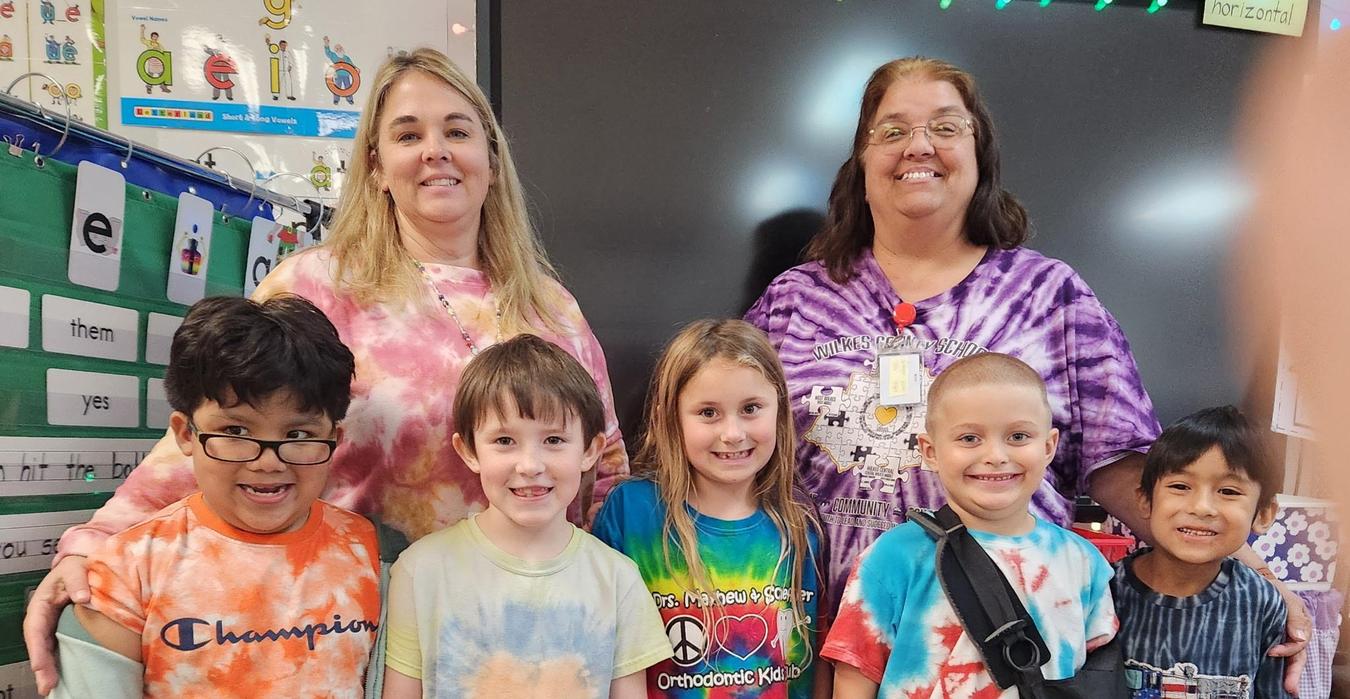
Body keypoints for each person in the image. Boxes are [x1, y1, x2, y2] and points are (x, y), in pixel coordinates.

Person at [24, 48, 629, 695]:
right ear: (375, 163)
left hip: (534, 632)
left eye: (457, 130)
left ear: (492, 155)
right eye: (407, 134)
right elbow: (215, 432)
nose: (435, 150)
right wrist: (92, 546)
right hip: (352, 630)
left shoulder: (550, 305)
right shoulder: (318, 284)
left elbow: (607, 469)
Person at [741, 56, 1309, 688]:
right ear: (862, 163)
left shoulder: (1048, 297)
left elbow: (1127, 467)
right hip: (801, 642)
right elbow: (733, 451)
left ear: (980, 155)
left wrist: (1249, 573)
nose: (919, 146)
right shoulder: (795, 299)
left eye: (947, 127)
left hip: (992, 649)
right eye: (893, 130)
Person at [50, 295, 379, 698]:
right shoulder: (125, 574)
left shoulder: (366, 550)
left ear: (334, 440)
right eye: (236, 432)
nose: (267, 463)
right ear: (186, 434)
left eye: (297, 436)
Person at [380, 334, 670, 698]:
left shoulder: (618, 580)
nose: (530, 465)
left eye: (553, 440)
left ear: (590, 450)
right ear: (468, 450)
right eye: (505, 441)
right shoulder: (419, 571)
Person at [823, 352, 1117, 698]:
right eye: (969, 439)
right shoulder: (892, 558)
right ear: (930, 451)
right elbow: (856, 673)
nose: (995, 455)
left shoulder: (1082, 562)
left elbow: (1097, 674)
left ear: (1049, 446)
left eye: (1018, 436)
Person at [594, 319, 831, 698]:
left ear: (779, 409)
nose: (733, 433)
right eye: (708, 413)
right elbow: (601, 647)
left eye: (751, 408)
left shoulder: (799, 523)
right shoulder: (631, 512)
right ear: (671, 415)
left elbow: (814, 659)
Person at [1112, 406, 1289, 699]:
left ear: (1264, 514)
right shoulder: (1106, 591)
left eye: (1229, 491)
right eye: (1180, 486)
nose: (1201, 507)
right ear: (1145, 500)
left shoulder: (1261, 602)